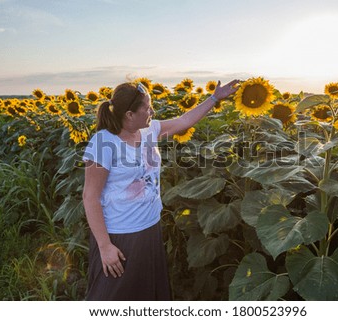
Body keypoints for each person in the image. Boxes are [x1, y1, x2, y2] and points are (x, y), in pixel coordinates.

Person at [82, 79, 239, 300]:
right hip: (120, 235)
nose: (152, 111)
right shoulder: (103, 143)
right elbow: (90, 197)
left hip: (149, 228)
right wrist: (105, 246)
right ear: (129, 114)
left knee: (146, 295)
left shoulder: (149, 130)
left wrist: (214, 98)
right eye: (147, 107)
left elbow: (184, 121)